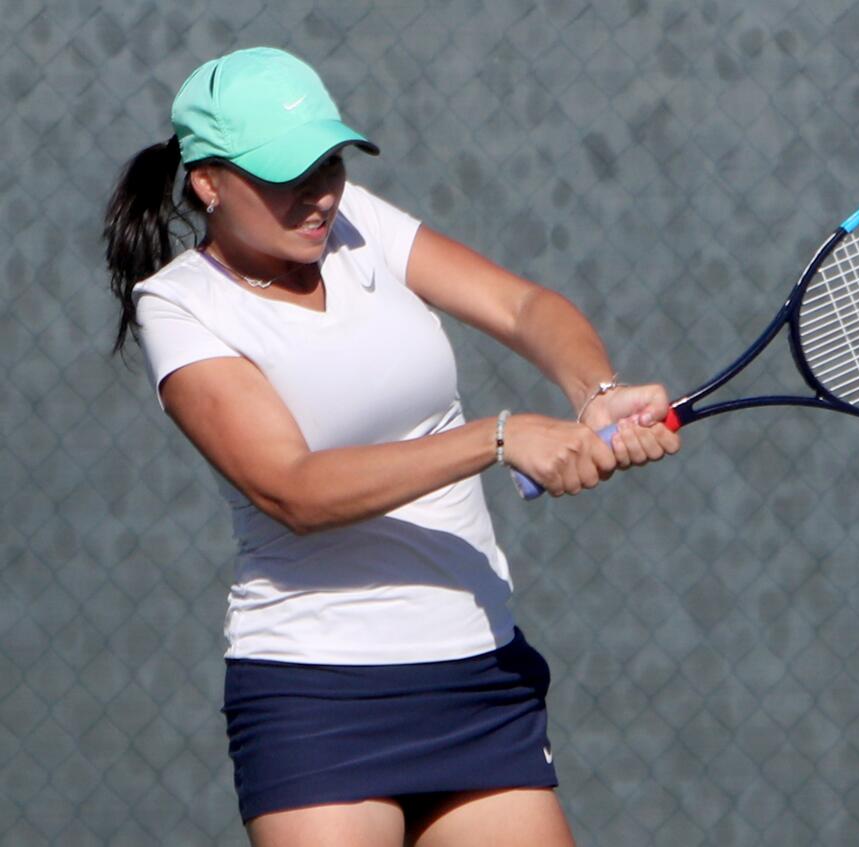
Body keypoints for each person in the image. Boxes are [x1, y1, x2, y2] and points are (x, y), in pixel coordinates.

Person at [102, 47, 679, 847]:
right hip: (316, 696)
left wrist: (594, 390)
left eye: (329, 163)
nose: (318, 194)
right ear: (208, 183)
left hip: (478, 668)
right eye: (285, 174)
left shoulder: (355, 224)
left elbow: (520, 306)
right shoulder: (180, 307)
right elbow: (292, 489)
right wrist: (500, 437)